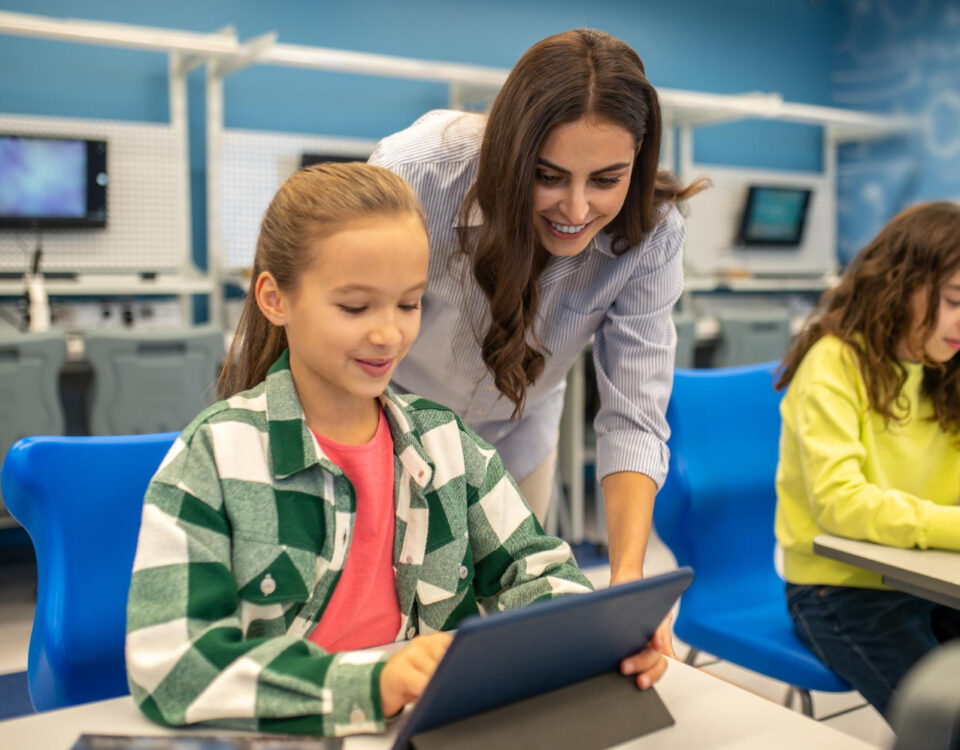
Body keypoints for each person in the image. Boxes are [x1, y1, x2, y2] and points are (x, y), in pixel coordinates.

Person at [125, 163, 665, 738]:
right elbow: (172, 666)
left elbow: (536, 573)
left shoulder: (446, 446)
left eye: (408, 305)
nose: (389, 335)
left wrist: (598, 638)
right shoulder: (215, 457)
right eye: (355, 308)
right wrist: (373, 685)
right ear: (275, 298)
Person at [369, 29, 706, 594]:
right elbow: (349, 325)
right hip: (390, 416)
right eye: (548, 177)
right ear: (513, 151)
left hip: (518, 426)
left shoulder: (653, 235)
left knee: (507, 603)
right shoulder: (418, 172)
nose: (575, 209)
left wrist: (627, 581)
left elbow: (634, 416)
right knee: (394, 606)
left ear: (637, 162)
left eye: (606, 180)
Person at [775, 201, 960, 718]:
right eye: (955, 299)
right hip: (839, 590)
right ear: (903, 284)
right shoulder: (834, 363)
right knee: (944, 723)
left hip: (929, 575)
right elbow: (842, 506)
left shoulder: (946, 366)